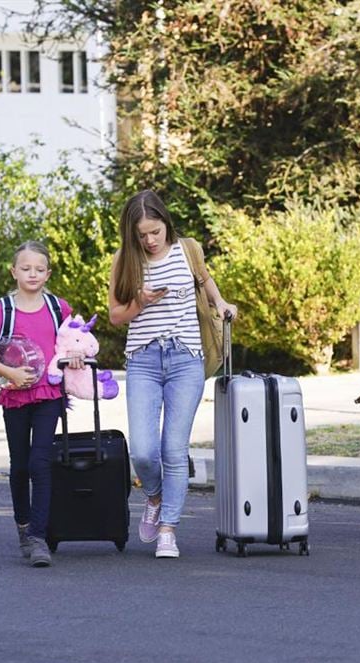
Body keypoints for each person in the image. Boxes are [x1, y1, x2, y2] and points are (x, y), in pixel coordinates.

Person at [108, 190, 237, 559]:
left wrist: (222, 302)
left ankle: (168, 530)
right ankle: (155, 496)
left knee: (174, 450)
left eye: (155, 231)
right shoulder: (124, 261)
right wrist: (140, 303)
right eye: (142, 234)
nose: (150, 240)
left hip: (186, 359)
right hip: (143, 360)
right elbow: (116, 316)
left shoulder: (188, 249)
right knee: (145, 452)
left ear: (166, 223)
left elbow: (205, 280)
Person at [0, 240, 84, 567]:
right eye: (26, 268)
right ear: (14, 271)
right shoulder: (2, 310)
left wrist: (75, 357)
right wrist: (10, 373)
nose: (33, 274)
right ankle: (23, 526)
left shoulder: (58, 308)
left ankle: (38, 537)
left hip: (49, 395)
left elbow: (74, 344)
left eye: (39, 269)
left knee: (40, 463)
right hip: (15, 396)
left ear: (48, 273)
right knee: (19, 466)